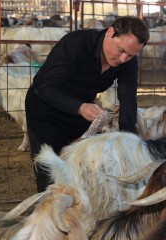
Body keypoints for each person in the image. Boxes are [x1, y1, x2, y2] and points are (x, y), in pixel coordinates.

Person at [25, 16, 149, 192]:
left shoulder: (128, 61)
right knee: (49, 168)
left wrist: (125, 139)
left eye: (130, 55)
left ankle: (79, 211)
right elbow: (46, 87)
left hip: (81, 111)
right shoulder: (75, 44)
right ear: (110, 32)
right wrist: (79, 107)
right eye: (121, 50)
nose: (123, 59)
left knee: (83, 163)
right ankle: (49, 210)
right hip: (45, 109)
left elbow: (128, 99)